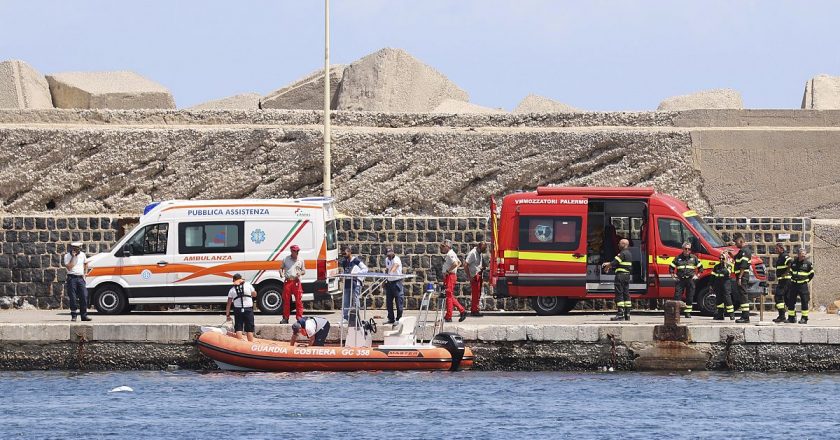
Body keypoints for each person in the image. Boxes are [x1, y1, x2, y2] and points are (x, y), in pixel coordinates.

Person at [669, 241, 703, 318]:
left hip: (690, 280)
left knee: (690, 297)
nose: (687, 250)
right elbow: (671, 267)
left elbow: (701, 268)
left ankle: (687, 313)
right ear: (683, 249)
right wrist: (673, 275)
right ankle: (676, 313)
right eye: (686, 248)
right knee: (677, 296)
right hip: (680, 280)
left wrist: (697, 275)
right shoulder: (678, 258)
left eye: (689, 249)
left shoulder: (694, 258)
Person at [602, 238, 632, 321]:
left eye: (619, 243)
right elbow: (618, 263)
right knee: (626, 294)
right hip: (627, 276)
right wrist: (609, 264)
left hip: (620, 276)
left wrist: (607, 267)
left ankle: (620, 314)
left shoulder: (622, 253)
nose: (618, 245)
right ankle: (627, 314)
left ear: (623, 244)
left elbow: (614, 263)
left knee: (619, 294)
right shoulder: (629, 254)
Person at [440, 239, 467, 323]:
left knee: (448, 296)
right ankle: (462, 311)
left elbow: (456, 263)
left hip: (450, 276)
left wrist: (448, 271)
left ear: (447, 246)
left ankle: (449, 316)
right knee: (450, 296)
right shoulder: (451, 253)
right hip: (450, 276)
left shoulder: (450, 254)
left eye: (443, 246)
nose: (442, 248)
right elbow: (459, 262)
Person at [63, 242, 91, 322]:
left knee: (84, 296)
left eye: (78, 248)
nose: (77, 250)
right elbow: (69, 267)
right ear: (72, 248)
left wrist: (85, 273)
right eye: (75, 248)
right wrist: (73, 257)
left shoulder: (82, 255)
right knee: (73, 297)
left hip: (80, 278)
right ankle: (74, 315)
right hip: (72, 278)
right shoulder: (67, 256)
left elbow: (86, 263)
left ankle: (84, 315)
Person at [340, 246, 368, 324]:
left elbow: (365, 269)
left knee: (356, 300)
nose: (344, 255)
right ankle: (345, 318)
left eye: (345, 253)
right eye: (342, 254)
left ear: (349, 252)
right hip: (347, 283)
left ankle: (356, 317)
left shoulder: (356, 261)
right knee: (345, 301)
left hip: (355, 284)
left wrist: (357, 274)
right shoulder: (344, 262)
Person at [225, 273, 256, 341]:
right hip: (248, 309)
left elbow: (228, 304)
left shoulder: (232, 290)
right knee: (249, 329)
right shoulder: (248, 285)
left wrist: (228, 315)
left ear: (234, 280)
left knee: (238, 328)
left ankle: (240, 345)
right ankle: (250, 345)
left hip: (238, 310)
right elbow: (254, 294)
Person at [787, 248, 815, 324]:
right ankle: (791, 317)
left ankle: (804, 318)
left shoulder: (808, 264)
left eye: (804, 255)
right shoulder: (793, 262)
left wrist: (806, 281)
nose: (803, 256)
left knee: (804, 301)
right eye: (802, 255)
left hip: (803, 285)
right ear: (798, 255)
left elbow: (811, 274)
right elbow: (791, 272)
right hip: (794, 285)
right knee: (791, 301)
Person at [280, 244, 305, 324]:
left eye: (297, 251)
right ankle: (285, 318)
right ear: (291, 251)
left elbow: (303, 271)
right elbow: (281, 268)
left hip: (296, 281)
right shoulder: (286, 259)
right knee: (286, 300)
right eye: (295, 251)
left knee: (298, 301)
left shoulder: (301, 260)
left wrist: (300, 273)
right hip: (288, 281)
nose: (296, 252)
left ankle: (299, 318)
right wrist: (281, 273)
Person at [732, 234, 753, 323]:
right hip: (740, 276)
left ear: (741, 241)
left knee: (743, 296)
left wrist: (740, 277)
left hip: (743, 276)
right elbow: (736, 259)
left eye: (736, 242)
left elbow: (743, 266)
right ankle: (744, 315)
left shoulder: (745, 251)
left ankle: (745, 317)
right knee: (741, 295)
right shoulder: (741, 251)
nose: (735, 244)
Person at [465, 241, 487, 317]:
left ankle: (476, 309)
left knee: (478, 294)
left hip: (479, 274)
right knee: (475, 294)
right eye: (482, 249)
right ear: (478, 247)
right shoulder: (473, 253)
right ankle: (474, 310)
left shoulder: (479, 253)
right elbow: (465, 264)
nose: (482, 251)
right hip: (474, 276)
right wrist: (469, 276)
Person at [772, 243, 793, 323]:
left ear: (781, 248)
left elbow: (790, 263)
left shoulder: (785, 256)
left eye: (777, 249)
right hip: (783, 280)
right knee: (787, 299)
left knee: (778, 297)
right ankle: (791, 317)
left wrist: (786, 273)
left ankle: (782, 316)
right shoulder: (781, 256)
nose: (775, 250)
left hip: (785, 280)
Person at [711, 252, 735, 320]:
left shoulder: (728, 266)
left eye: (723, 258)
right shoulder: (716, 267)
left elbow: (727, 273)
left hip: (725, 284)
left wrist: (725, 265)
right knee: (719, 300)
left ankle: (731, 314)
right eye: (720, 258)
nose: (721, 260)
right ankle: (720, 315)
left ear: (726, 259)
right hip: (718, 285)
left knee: (727, 299)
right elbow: (712, 276)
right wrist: (710, 285)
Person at [384, 248, 404, 325]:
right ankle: (391, 318)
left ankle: (399, 319)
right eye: (387, 255)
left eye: (390, 254)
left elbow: (395, 266)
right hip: (389, 282)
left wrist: (391, 272)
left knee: (399, 301)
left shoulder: (397, 259)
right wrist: (385, 279)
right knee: (389, 302)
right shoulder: (387, 259)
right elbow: (387, 269)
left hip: (397, 282)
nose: (389, 256)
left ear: (393, 253)